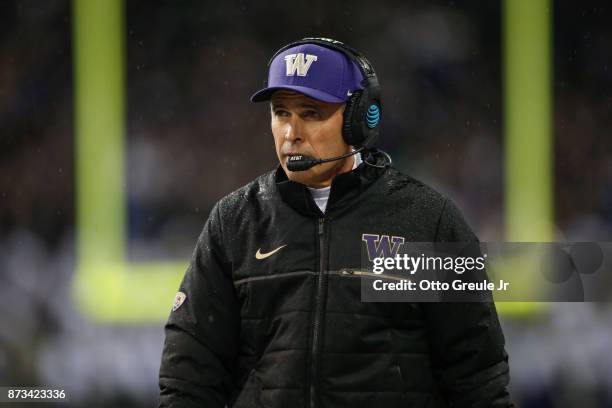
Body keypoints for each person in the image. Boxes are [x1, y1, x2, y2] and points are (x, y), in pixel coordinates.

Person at [159, 37, 513, 408]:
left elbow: (477, 380)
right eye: (281, 113)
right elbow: (189, 377)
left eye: (311, 113)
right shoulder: (235, 222)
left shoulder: (426, 220)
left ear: (361, 119)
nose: (291, 133)